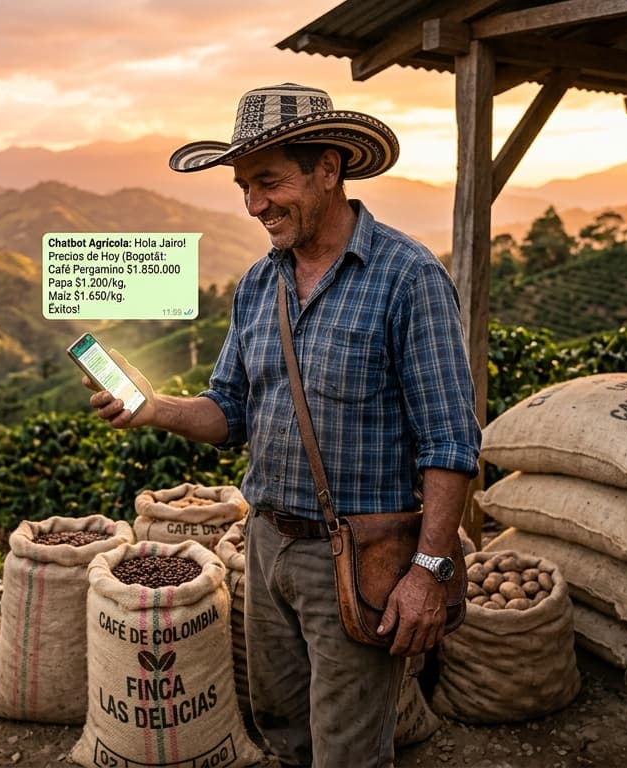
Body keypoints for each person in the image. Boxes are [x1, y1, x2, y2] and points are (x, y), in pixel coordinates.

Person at [85, 83, 481, 767]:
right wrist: (156, 408)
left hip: (359, 558)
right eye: (243, 186)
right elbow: (229, 411)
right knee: (284, 733)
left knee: (347, 751)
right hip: (265, 546)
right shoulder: (258, 285)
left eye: (268, 181)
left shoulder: (406, 277)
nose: (253, 204)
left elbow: (451, 443)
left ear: (328, 168)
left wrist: (427, 569)